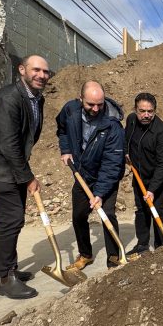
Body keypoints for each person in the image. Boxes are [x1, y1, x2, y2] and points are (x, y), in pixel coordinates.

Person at [0, 55, 50, 299]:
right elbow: (9, 144)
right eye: (36, 70)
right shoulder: (8, 98)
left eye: (46, 71)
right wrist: (28, 178)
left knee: (7, 218)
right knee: (13, 218)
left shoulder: (35, 98)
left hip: (5, 166)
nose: (42, 75)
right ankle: (6, 278)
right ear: (22, 69)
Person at [56, 80, 125, 269]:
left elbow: (112, 164)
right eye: (90, 104)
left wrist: (100, 193)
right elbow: (62, 129)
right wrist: (66, 149)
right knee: (79, 215)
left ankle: (113, 256)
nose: (95, 109)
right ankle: (85, 254)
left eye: (100, 104)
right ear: (80, 100)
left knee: (107, 214)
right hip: (82, 173)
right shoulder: (70, 110)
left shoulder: (113, 127)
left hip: (106, 175)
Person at [125, 93, 163, 256]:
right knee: (141, 211)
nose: (146, 115)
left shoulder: (161, 131)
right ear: (135, 109)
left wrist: (152, 189)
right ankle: (142, 245)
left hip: (155, 178)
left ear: (155, 111)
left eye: (150, 111)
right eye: (142, 111)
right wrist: (126, 153)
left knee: (156, 209)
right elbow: (126, 140)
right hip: (138, 176)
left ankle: (162, 245)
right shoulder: (131, 120)